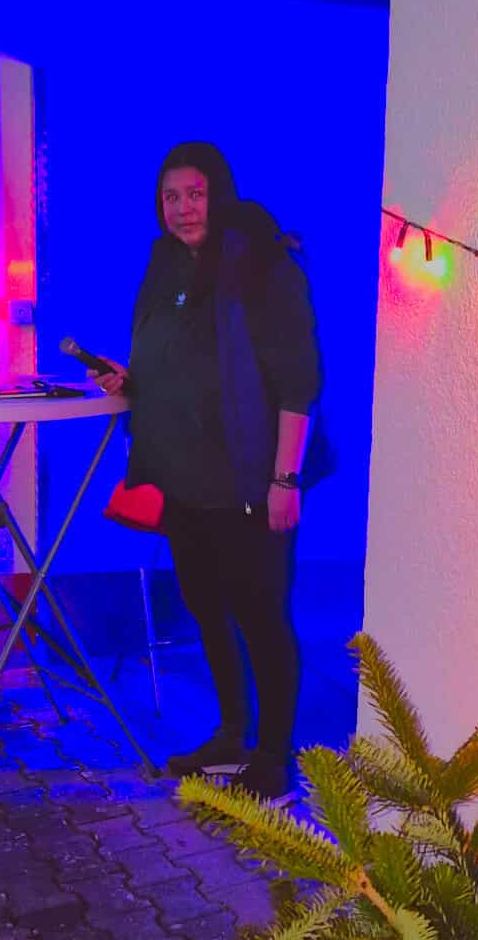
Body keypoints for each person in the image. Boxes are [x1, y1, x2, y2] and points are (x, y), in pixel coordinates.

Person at [92, 142, 321, 803]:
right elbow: (178, 359)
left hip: (251, 481)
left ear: (218, 194)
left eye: (195, 194)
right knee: (207, 608)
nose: (183, 208)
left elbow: (298, 380)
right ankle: (231, 733)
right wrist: (133, 379)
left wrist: (285, 480)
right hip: (185, 480)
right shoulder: (166, 265)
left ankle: (275, 758)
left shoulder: (263, 263)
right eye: (171, 197)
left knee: (262, 614)